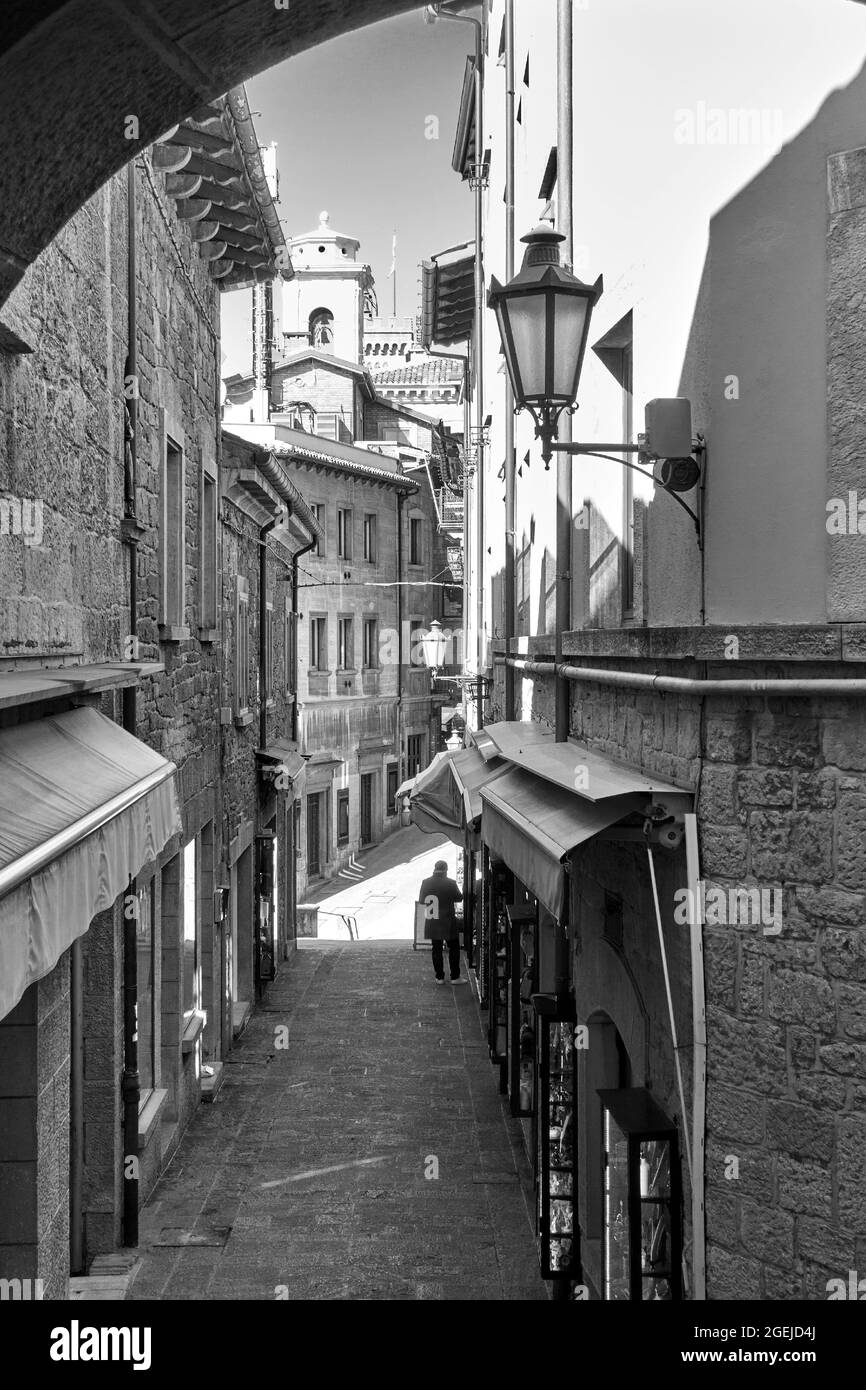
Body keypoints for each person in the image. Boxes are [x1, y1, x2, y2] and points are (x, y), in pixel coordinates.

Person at [417, 859, 465, 985]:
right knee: (454, 947)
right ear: (446, 870)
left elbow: (422, 900)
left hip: (433, 919)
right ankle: (455, 977)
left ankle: (439, 977)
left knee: (436, 948)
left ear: (435, 868)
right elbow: (459, 898)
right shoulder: (450, 883)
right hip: (448, 920)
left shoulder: (426, 882)